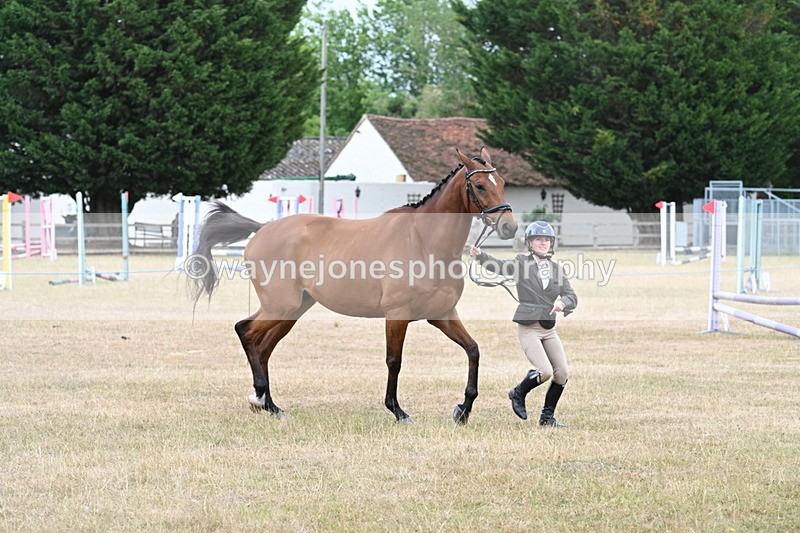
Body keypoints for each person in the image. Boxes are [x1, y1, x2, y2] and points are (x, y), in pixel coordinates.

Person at [470, 220, 577, 427]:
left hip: (549, 329)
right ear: (529, 243)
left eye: (546, 239)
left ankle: (547, 418)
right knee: (544, 371)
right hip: (529, 328)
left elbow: (571, 295)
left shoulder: (557, 269)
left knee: (562, 372)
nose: (543, 243)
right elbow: (499, 267)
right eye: (538, 239)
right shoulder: (521, 263)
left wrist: (563, 302)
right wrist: (480, 256)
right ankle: (518, 393)